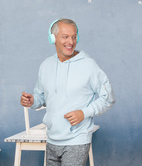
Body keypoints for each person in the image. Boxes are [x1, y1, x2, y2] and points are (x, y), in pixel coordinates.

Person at [20, 19, 116, 166]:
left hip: (77, 140)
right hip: (51, 138)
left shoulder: (89, 66)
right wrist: (33, 101)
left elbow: (108, 98)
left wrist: (84, 113)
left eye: (74, 36)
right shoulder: (46, 65)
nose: (71, 41)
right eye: (65, 36)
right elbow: (42, 97)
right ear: (53, 38)